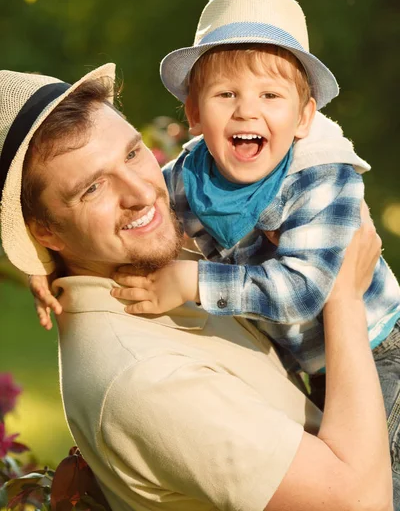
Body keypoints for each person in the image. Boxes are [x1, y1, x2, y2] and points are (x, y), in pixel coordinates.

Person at [0, 64, 393, 510]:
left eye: (132, 154)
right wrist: (341, 295)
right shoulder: (145, 380)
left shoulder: (155, 266)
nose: (143, 193)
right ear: (44, 231)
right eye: (92, 189)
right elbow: (363, 502)